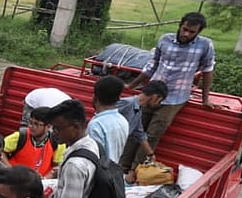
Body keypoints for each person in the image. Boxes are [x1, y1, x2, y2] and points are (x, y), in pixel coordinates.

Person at [122, 11, 216, 171]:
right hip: (152, 92)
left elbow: (208, 70)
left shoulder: (205, 45)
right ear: (180, 26)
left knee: (152, 135)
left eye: (192, 32)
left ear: (198, 32)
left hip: (174, 97)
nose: (186, 34)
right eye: (184, 29)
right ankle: (121, 166)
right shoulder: (165, 39)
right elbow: (152, 65)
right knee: (135, 129)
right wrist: (131, 85)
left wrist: (205, 99)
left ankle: (135, 171)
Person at [118, 81, 169, 177]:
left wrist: (150, 154)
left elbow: (140, 134)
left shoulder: (138, 112)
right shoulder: (126, 104)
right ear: (155, 97)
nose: (159, 104)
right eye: (160, 101)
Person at [3, 106, 65, 178]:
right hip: (15, 179)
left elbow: (56, 167)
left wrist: (44, 179)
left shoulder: (57, 142)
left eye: (36, 124)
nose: (31, 126)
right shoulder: (20, 136)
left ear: (48, 126)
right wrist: (10, 169)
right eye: (30, 122)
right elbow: (0, 152)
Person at [87, 75, 130, 164]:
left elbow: (93, 158)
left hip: (99, 175)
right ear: (118, 98)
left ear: (95, 97)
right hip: (113, 172)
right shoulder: (123, 121)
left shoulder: (96, 125)